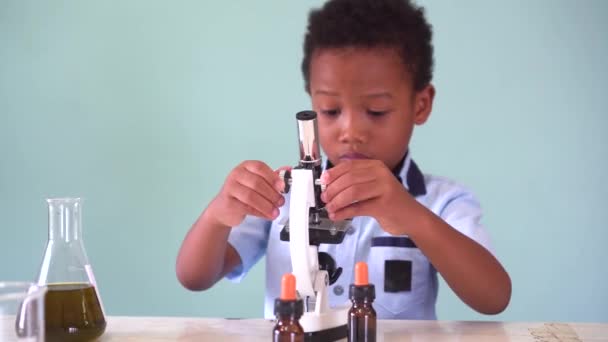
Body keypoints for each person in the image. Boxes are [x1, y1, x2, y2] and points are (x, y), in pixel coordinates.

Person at [176, 0, 511, 320]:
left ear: (420, 105)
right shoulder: (283, 194)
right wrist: (217, 215)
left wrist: (412, 216)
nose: (350, 131)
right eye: (331, 111)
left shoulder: (442, 201)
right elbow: (194, 277)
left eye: (376, 111)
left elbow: (493, 297)